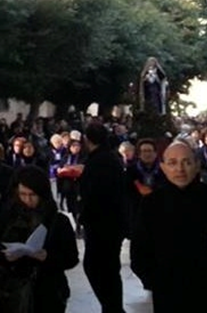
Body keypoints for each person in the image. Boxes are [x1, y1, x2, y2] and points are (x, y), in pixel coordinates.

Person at [130, 141, 207, 312]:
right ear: (163, 168)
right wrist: (155, 281)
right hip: (167, 292)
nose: (180, 169)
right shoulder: (152, 204)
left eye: (186, 162)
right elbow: (139, 250)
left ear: (197, 165)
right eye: (172, 163)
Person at [0, 165, 79, 313]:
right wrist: (4, 257)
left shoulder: (58, 221)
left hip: (47, 292)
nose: (27, 200)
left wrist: (46, 257)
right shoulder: (5, 217)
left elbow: (71, 258)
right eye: (23, 194)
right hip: (8, 292)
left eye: (32, 195)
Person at [78, 121, 126, 313]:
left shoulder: (98, 161)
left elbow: (94, 194)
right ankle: (112, 306)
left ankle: (112, 307)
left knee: (97, 267)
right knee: (108, 269)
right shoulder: (111, 158)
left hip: (101, 224)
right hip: (112, 223)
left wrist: (84, 216)